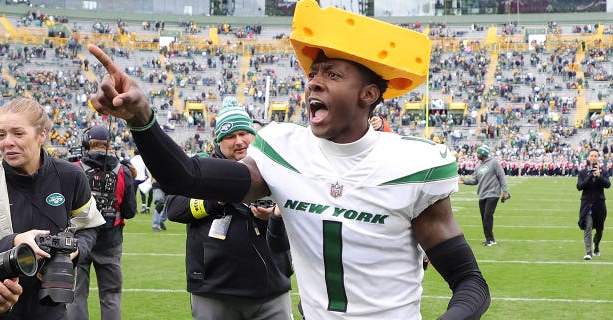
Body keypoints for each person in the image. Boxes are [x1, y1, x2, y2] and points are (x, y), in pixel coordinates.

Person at [86, 0, 491, 318]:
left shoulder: (412, 165)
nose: (314, 80)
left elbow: (471, 283)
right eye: (314, 73)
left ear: (369, 95)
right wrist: (143, 121)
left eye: (332, 74)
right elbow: (186, 178)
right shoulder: (282, 149)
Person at [164, 107, 294, 319]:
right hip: (215, 290)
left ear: (254, 135)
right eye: (231, 136)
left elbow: (303, 207)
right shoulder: (202, 166)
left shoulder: (275, 164)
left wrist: (275, 214)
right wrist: (218, 196)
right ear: (219, 141)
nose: (239, 141)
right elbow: (174, 208)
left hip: (272, 285)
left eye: (243, 134)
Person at [0, 97, 104, 319]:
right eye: (1, 134)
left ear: (42, 136)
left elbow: (88, 227)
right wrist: (14, 241)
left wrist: (75, 250)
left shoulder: (71, 176)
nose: (7, 142)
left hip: (51, 303)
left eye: (18, 133)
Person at [67, 125, 137, 320]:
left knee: (76, 294)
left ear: (86, 145)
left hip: (78, 240)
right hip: (111, 241)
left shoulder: (74, 169)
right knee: (111, 295)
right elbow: (130, 212)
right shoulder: (123, 171)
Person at [460, 144, 510, 246]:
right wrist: (464, 181)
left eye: (478, 153)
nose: (477, 154)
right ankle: (489, 239)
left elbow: (502, 176)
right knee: (484, 218)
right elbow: (475, 181)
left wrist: (505, 192)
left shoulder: (494, 163)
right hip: (482, 194)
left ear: (483, 153)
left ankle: (491, 240)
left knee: (487, 216)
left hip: (493, 193)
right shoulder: (478, 166)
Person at [577, 148, 611, 260]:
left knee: (600, 230)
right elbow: (579, 186)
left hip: (599, 205)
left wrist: (599, 176)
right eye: (591, 156)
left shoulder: (604, 171)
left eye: (595, 156)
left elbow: (608, 185)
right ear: (588, 157)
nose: (593, 158)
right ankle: (588, 252)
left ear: (598, 158)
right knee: (588, 227)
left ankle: (596, 245)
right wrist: (590, 176)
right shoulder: (582, 172)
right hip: (587, 205)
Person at [130, 149, 151, 213]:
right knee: (143, 194)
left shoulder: (132, 160)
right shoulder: (143, 159)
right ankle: (143, 206)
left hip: (135, 178)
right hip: (142, 178)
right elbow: (146, 169)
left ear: (134, 153)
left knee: (134, 194)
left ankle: (134, 208)